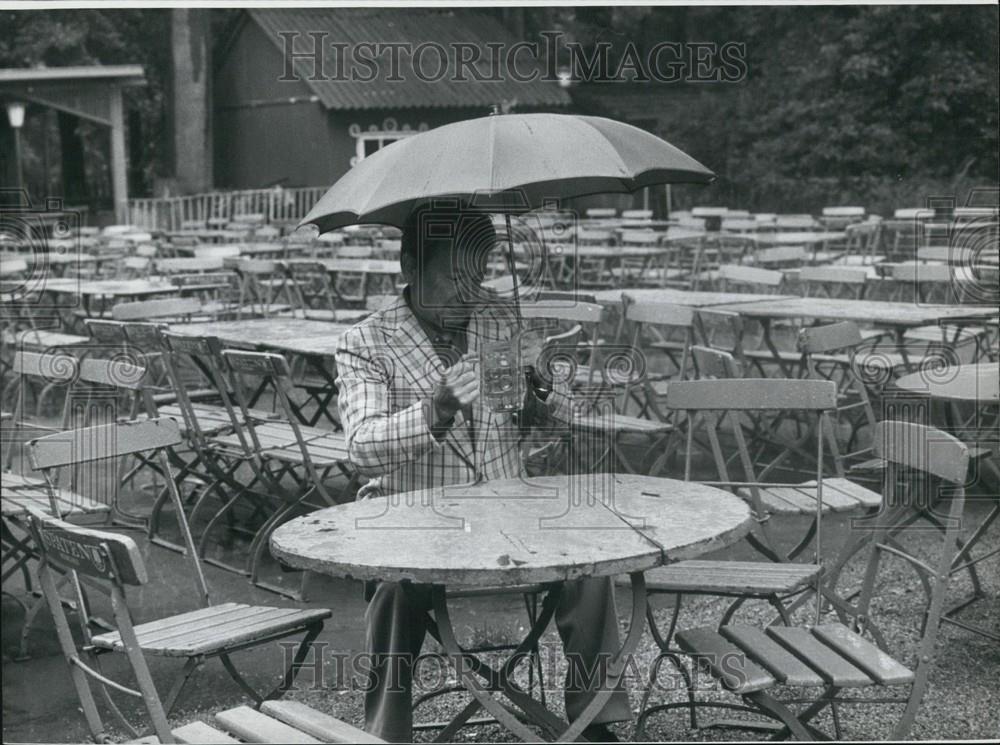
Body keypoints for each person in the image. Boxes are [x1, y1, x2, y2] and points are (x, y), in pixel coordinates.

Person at [334, 205, 630, 742]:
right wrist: (434, 411)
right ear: (408, 264)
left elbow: (563, 416)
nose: (468, 290)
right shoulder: (365, 342)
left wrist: (541, 387)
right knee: (396, 584)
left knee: (591, 564)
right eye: (453, 274)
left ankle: (595, 719)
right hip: (417, 517)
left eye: (478, 273)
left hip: (506, 508)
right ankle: (386, 731)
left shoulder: (500, 317)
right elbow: (361, 449)